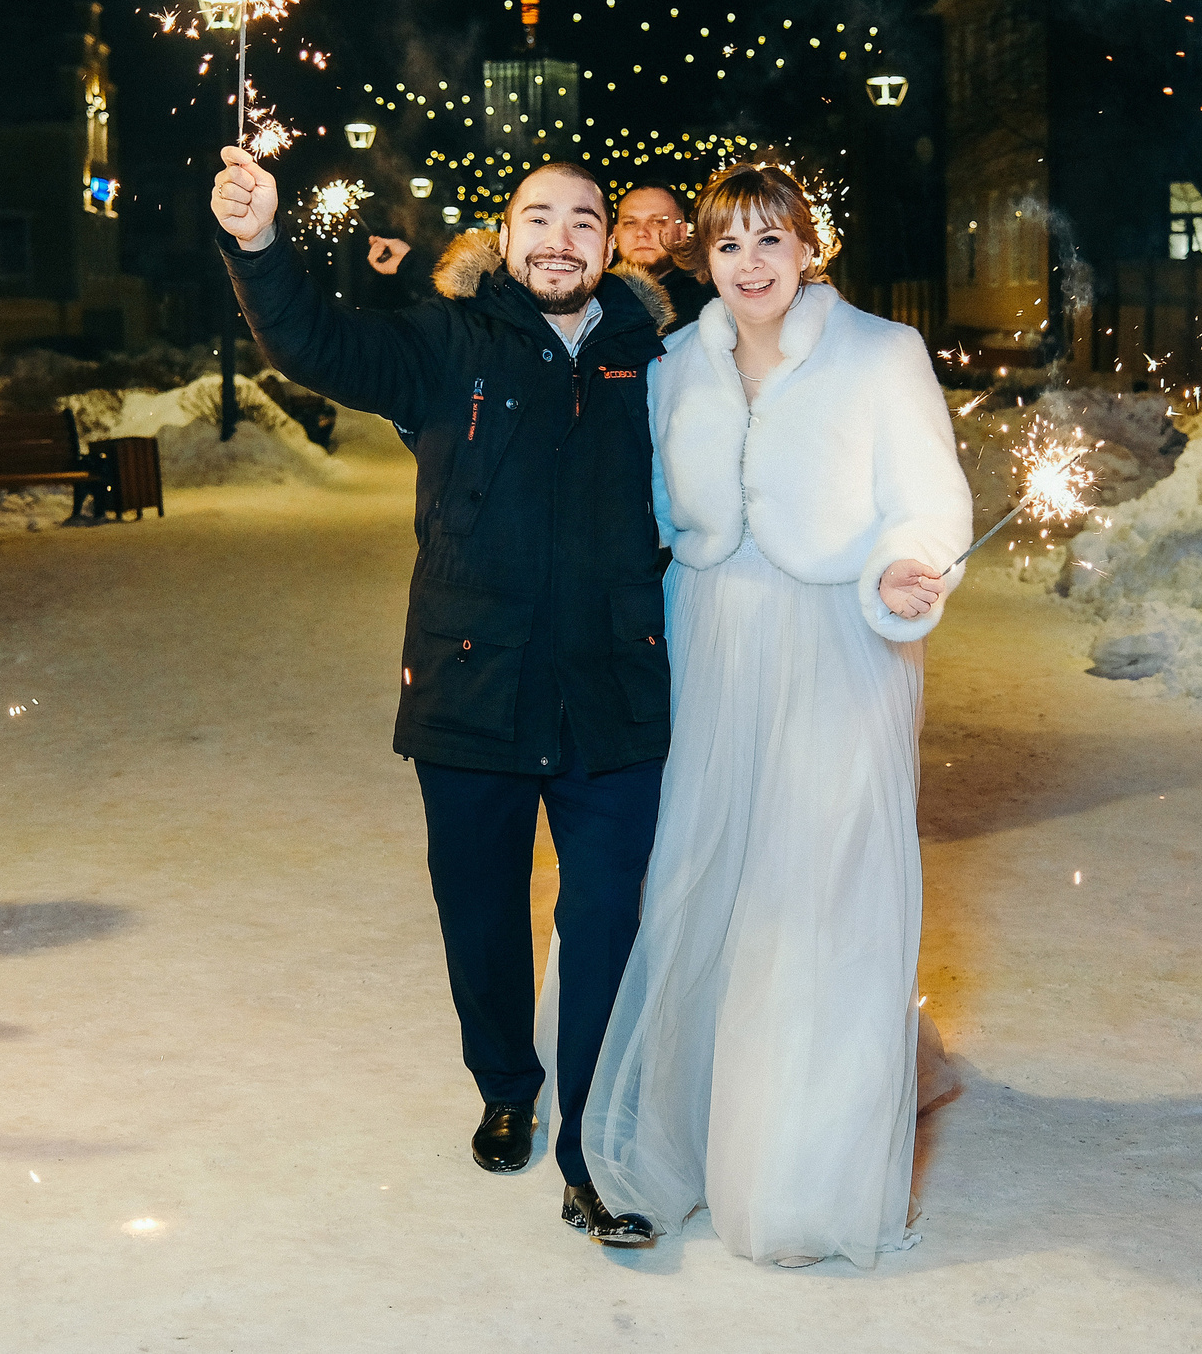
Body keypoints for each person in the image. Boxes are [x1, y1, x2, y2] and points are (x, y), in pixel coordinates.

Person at [211, 147, 675, 1247]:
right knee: (479, 904)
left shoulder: (658, 352)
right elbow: (311, 341)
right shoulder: (442, 342)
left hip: (614, 685)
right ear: (504, 237)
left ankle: (592, 1124)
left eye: (582, 222)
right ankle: (507, 1086)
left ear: (609, 245)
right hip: (473, 680)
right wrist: (260, 244)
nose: (559, 240)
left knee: (606, 910)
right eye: (538, 218)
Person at [584, 162, 971, 1268]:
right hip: (710, 639)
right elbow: (653, 503)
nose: (748, 267)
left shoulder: (879, 354)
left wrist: (908, 564)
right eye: (725, 247)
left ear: (810, 248)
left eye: (769, 242)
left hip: (837, 645)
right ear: (700, 262)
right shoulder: (675, 362)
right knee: (709, 881)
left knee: (816, 897)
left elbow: (931, 497)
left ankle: (798, 1173)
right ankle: (700, 1134)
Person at [615, 184, 714, 329]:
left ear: (682, 232)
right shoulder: (592, 299)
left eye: (657, 222)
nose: (641, 232)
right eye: (630, 223)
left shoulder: (711, 301)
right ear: (615, 233)